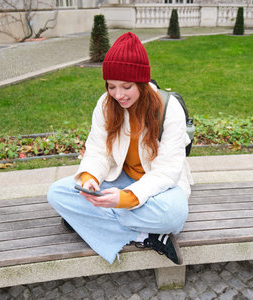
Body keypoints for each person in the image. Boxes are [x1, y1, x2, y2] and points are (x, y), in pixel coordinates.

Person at [47, 32, 193, 265]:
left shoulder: (169, 108)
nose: (118, 95)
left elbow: (167, 172)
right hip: (120, 178)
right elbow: (97, 149)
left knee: (174, 215)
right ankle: (145, 235)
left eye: (126, 86)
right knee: (57, 193)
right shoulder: (106, 104)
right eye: (111, 86)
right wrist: (90, 178)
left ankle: (85, 220)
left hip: (160, 186)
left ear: (142, 82)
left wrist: (126, 198)